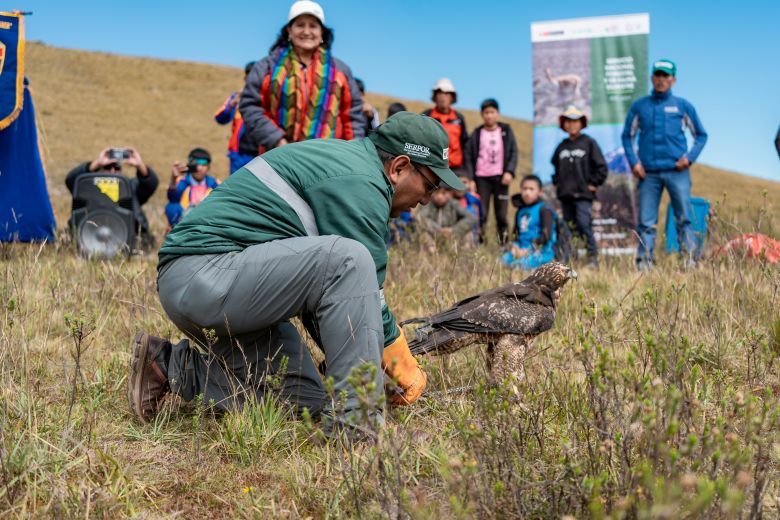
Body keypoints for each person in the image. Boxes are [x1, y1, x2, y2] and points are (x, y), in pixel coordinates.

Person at [126, 112, 465, 438]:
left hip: (231, 290)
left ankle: (169, 369)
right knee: (351, 258)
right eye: (430, 185)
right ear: (400, 167)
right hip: (204, 275)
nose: (425, 199)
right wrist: (396, 357)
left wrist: (361, 363)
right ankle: (359, 430)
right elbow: (360, 286)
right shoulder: (362, 181)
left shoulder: (351, 164)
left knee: (304, 402)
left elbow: (332, 300)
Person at [239, 1, 364, 154]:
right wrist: (277, 140)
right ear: (289, 31)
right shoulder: (266, 68)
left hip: (327, 161)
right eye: (300, 25)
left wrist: (352, 153)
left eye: (313, 26)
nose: (306, 31)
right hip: (276, 157)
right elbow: (250, 107)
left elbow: (353, 117)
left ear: (322, 33)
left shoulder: (340, 72)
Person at [621, 59, 707, 270]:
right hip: (647, 174)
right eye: (657, 74)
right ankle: (644, 264)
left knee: (684, 218)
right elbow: (627, 136)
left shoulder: (683, 106)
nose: (661, 79)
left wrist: (689, 158)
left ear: (673, 79)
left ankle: (689, 262)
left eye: (665, 75)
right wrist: (634, 163)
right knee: (646, 222)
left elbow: (701, 135)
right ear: (652, 77)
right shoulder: (640, 106)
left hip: (677, 172)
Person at [65, 147, 159, 248]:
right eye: (107, 167)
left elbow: (151, 185)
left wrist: (140, 165)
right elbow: (72, 180)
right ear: (99, 170)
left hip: (127, 240)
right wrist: (96, 163)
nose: (113, 171)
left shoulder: (129, 186)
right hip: (90, 238)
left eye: (117, 168)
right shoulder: (89, 187)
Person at [551, 106, 607, 268]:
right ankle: (568, 259)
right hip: (566, 195)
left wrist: (593, 183)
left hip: (583, 195)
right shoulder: (561, 146)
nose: (572, 125)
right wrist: (557, 182)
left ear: (581, 124)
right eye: (569, 121)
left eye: (576, 121)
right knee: (567, 228)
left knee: (584, 224)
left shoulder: (589, 143)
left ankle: (592, 257)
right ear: (564, 125)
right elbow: (555, 166)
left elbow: (601, 167)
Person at [464, 98, 518, 244]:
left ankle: (504, 245)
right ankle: (480, 243)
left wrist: (509, 171)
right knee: (482, 214)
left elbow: (513, 151)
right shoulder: (476, 133)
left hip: (501, 179)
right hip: (482, 179)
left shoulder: (506, 130)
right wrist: (471, 179)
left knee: (501, 215)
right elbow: (468, 155)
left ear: (497, 114)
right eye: (486, 112)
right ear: (482, 114)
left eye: (492, 112)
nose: (489, 115)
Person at [502, 175, 557, 270]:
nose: (527, 192)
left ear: (540, 192)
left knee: (517, 266)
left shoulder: (544, 210)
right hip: (521, 250)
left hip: (541, 252)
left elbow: (546, 237)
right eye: (525, 189)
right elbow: (515, 234)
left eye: (531, 189)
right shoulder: (519, 211)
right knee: (500, 262)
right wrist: (515, 248)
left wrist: (528, 250)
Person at [214, 61, 257, 174]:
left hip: (260, 153)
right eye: (250, 75)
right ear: (245, 78)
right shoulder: (236, 97)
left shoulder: (268, 98)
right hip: (238, 154)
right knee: (236, 188)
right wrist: (232, 104)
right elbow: (219, 118)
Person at [164, 148, 221, 231]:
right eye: (196, 164)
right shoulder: (182, 181)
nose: (199, 168)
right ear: (190, 165)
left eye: (203, 164)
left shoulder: (215, 184)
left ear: (208, 167)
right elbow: (172, 198)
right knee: (172, 207)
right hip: (185, 221)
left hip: (208, 222)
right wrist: (173, 179)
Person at [423, 78, 468, 177]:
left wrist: (467, 173)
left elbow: (465, 145)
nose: (443, 97)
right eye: (439, 93)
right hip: (431, 168)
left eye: (447, 94)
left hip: (455, 170)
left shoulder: (459, 118)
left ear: (452, 97)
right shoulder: (426, 116)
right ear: (434, 96)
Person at [415, 186, 478, 251]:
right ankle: (430, 257)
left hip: (452, 237)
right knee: (424, 234)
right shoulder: (428, 204)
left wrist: (453, 230)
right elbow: (420, 217)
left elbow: (472, 218)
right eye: (436, 193)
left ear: (450, 194)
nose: (439, 196)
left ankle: (464, 256)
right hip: (434, 236)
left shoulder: (454, 204)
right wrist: (439, 230)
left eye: (443, 193)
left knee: (468, 233)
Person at [453, 175, 482, 244]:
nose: (461, 184)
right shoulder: (450, 198)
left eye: (464, 182)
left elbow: (478, 214)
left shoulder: (473, 199)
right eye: (459, 181)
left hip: (471, 228)